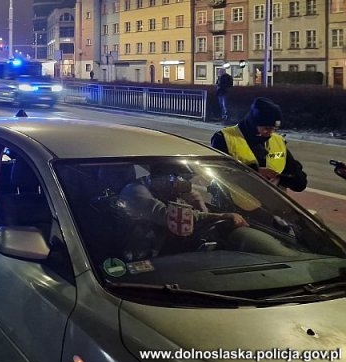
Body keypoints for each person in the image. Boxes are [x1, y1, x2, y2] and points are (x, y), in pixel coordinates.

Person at [101, 164, 247, 259]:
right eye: (176, 180)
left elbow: (197, 206)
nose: (181, 184)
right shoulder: (135, 191)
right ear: (158, 178)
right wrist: (219, 216)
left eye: (184, 180)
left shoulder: (168, 191)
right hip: (136, 256)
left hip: (162, 251)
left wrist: (198, 203)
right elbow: (171, 218)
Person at [211, 97, 307, 192]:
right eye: (267, 128)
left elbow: (299, 182)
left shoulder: (278, 141)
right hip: (233, 204)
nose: (271, 132)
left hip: (271, 204)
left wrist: (282, 179)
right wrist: (255, 172)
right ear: (253, 123)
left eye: (274, 129)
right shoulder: (224, 138)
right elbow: (216, 172)